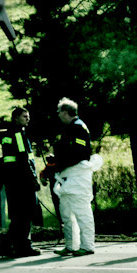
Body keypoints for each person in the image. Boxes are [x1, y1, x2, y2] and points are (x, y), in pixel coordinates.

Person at [48, 98, 102, 257]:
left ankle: (87, 245)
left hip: (77, 176)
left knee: (82, 212)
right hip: (68, 177)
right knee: (66, 213)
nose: (58, 115)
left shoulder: (78, 128)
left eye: (59, 112)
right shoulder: (70, 128)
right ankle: (71, 245)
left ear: (65, 112)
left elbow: (78, 153)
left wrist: (58, 163)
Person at [0, 107, 41, 257]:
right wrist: (33, 179)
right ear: (16, 118)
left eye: (28, 116)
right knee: (26, 214)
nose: (28, 119)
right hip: (22, 181)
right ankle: (23, 247)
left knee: (18, 216)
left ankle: (5, 245)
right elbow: (24, 160)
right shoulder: (19, 135)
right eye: (24, 117)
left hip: (13, 181)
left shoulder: (9, 134)